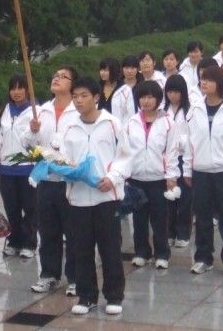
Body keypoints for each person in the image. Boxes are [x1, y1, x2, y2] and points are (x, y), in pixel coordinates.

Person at [62, 77, 132, 316]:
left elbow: (125, 157)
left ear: (96, 97)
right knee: (81, 249)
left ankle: (114, 295)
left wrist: (113, 178)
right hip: (78, 199)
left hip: (106, 198)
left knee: (110, 248)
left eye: (83, 96)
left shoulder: (112, 124)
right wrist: (68, 170)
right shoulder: (70, 127)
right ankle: (87, 295)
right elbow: (63, 158)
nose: (79, 101)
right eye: (75, 96)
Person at [184, 65, 223, 278]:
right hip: (201, 169)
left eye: (209, 80)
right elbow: (188, 141)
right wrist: (187, 169)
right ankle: (203, 256)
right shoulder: (194, 109)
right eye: (202, 79)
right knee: (201, 215)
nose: (204, 83)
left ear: (220, 84)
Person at [28, 66, 81, 296]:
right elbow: (28, 146)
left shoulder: (78, 111)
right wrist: (32, 131)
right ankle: (49, 274)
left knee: (74, 232)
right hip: (47, 179)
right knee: (48, 230)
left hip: (71, 182)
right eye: (55, 75)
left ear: (73, 84)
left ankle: (76, 278)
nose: (57, 79)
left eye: (63, 77)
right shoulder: (40, 111)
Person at [126, 80, 179, 269]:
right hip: (136, 177)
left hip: (159, 178)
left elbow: (172, 150)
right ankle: (142, 251)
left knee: (160, 218)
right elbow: (124, 150)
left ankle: (162, 253)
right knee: (139, 217)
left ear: (158, 99)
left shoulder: (167, 122)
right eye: (142, 97)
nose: (146, 101)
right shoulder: (131, 123)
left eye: (150, 97)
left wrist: (171, 176)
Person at [0, 74, 37, 259]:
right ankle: (14, 240)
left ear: (27, 89)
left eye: (20, 88)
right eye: (13, 88)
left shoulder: (36, 111)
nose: (16, 92)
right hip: (7, 169)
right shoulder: (3, 112)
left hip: (28, 168)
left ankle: (30, 243)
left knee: (30, 208)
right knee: (12, 207)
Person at [164, 74, 193, 248]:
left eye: (176, 92)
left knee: (185, 198)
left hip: (184, 158)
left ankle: (183, 232)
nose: (172, 96)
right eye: (169, 92)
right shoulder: (162, 111)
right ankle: (169, 231)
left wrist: (178, 141)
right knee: (168, 197)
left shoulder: (190, 111)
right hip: (167, 158)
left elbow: (192, 135)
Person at [98, 57, 134, 126]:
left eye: (106, 70)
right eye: (101, 70)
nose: (102, 73)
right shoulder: (96, 88)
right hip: (99, 127)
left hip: (118, 130)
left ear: (114, 71)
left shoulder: (125, 90)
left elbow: (130, 114)